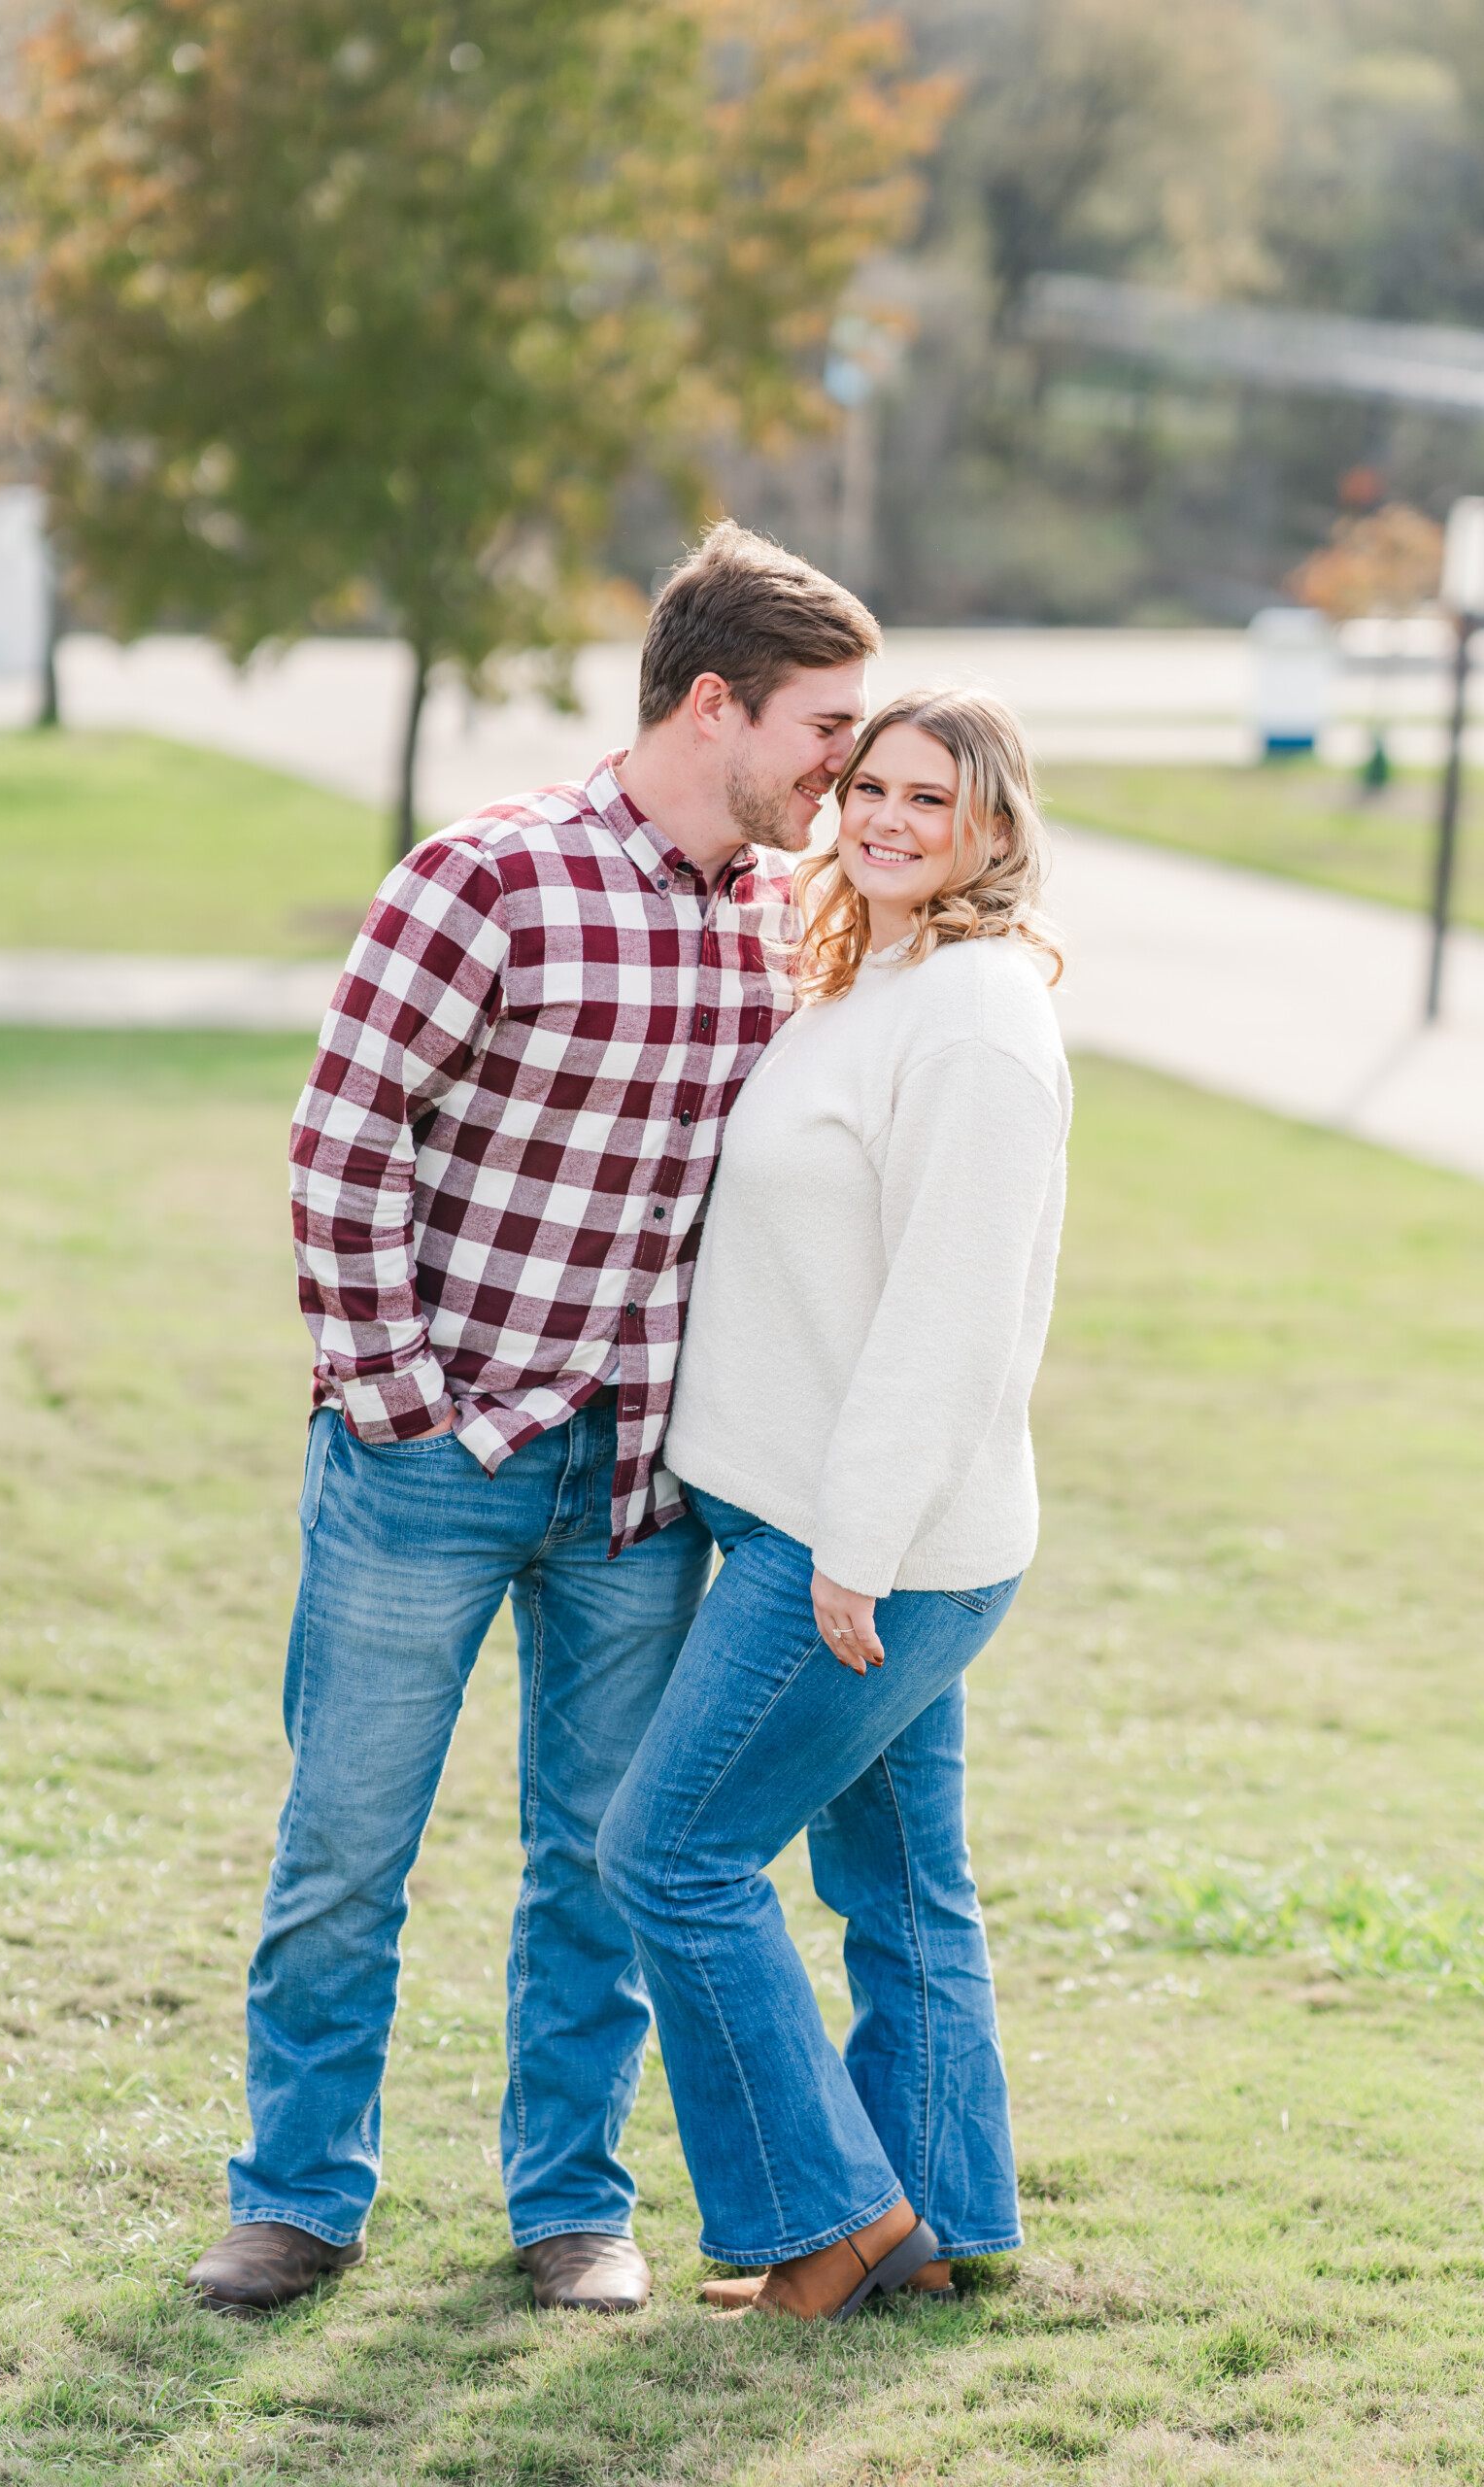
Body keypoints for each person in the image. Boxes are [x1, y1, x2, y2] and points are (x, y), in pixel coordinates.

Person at [186, 524, 880, 2318]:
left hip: (644, 1488)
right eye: (825, 726)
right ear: (713, 703)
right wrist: (405, 1406)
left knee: (597, 1866)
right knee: (348, 1843)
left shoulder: (786, 933)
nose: (846, 766)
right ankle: (297, 2200)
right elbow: (344, 1144)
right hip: (433, 1466)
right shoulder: (486, 879)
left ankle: (571, 2204)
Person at [597, 688, 1070, 2320]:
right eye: (869, 784)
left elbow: (945, 1314)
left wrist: (853, 1551)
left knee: (668, 1855)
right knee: (898, 1881)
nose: (883, 816)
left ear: (993, 831)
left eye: (929, 799)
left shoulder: (977, 1023)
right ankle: (934, 2220)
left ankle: (830, 2219)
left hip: (860, 1547)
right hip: (829, 1525)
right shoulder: (880, 980)